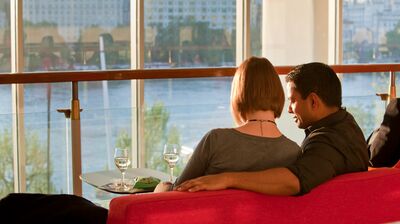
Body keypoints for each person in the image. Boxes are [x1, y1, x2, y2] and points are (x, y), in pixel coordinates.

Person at [175, 62, 370, 196]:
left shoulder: (327, 143)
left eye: (293, 100)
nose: (289, 108)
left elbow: (294, 181)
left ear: (313, 101)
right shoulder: (348, 127)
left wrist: (226, 178)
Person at [155, 57, 301, 192]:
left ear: (239, 93)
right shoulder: (293, 152)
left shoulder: (216, 141)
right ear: (278, 93)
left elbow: (179, 191)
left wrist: (161, 189)